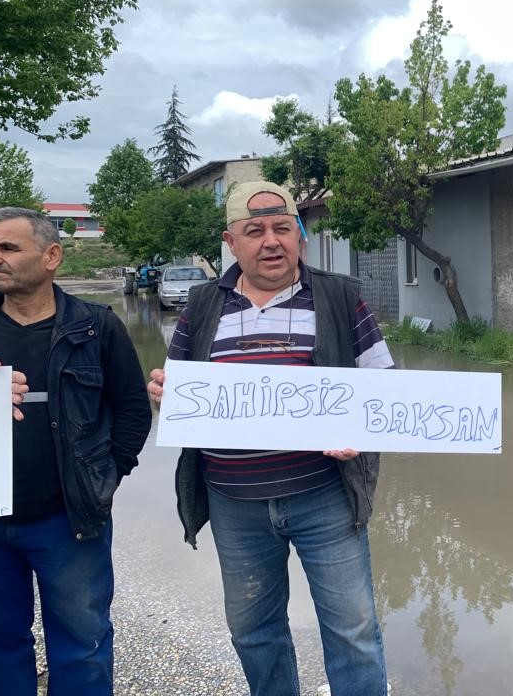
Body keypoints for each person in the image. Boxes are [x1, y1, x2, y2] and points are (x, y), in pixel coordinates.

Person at [147, 182, 392, 696]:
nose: (271, 241)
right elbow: (180, 389)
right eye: (254, 231)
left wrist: (361, 429)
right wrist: (165, 393)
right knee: (254, 632)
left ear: (299, 234)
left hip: (325, 497)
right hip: (234, 505)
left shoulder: (340, 296)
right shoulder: (201, 303)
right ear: (230, 241)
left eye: (283, 228)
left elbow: (382, 389)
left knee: (354, 631)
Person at [0, 206, 152, 696]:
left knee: (83, 646)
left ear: (52, 255)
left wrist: (102, 479)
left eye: (8, 248)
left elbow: (132, 412)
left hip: (69, 520)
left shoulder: (97, 327)